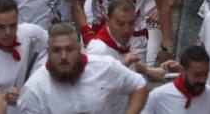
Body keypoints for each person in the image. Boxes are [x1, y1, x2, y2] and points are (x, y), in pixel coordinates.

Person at [15, 22, 148, 114]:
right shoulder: (35, 88)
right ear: (48, 51)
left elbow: (139, 85)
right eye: (56, 50)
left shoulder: (104, 66)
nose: (63, 56)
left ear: (79, 49)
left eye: (69, 49)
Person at [0, 0, 46, 106]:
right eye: (1, 27)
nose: (8, 32)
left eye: (13, 25)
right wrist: (3, 99)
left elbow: (58, 43)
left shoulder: (31, 33)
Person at [146, 45, 210, 113]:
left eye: (206, 74)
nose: (203, 80)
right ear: (182, 70)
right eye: (197, 75)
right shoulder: (158, 96)